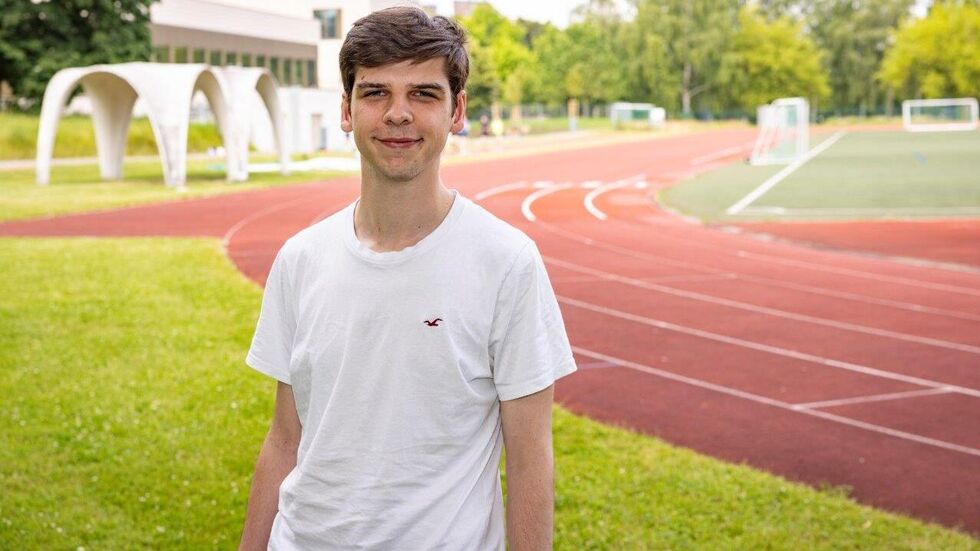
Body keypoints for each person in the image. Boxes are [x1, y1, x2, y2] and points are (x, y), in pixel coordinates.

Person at [239, 7, 575, 550]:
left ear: (457, 109)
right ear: (346, 110)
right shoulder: (300, 258)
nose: (398, 114)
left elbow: (531, 457)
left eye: (423, 93)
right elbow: (285, 437)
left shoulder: (507, 261)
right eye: (376, 93)